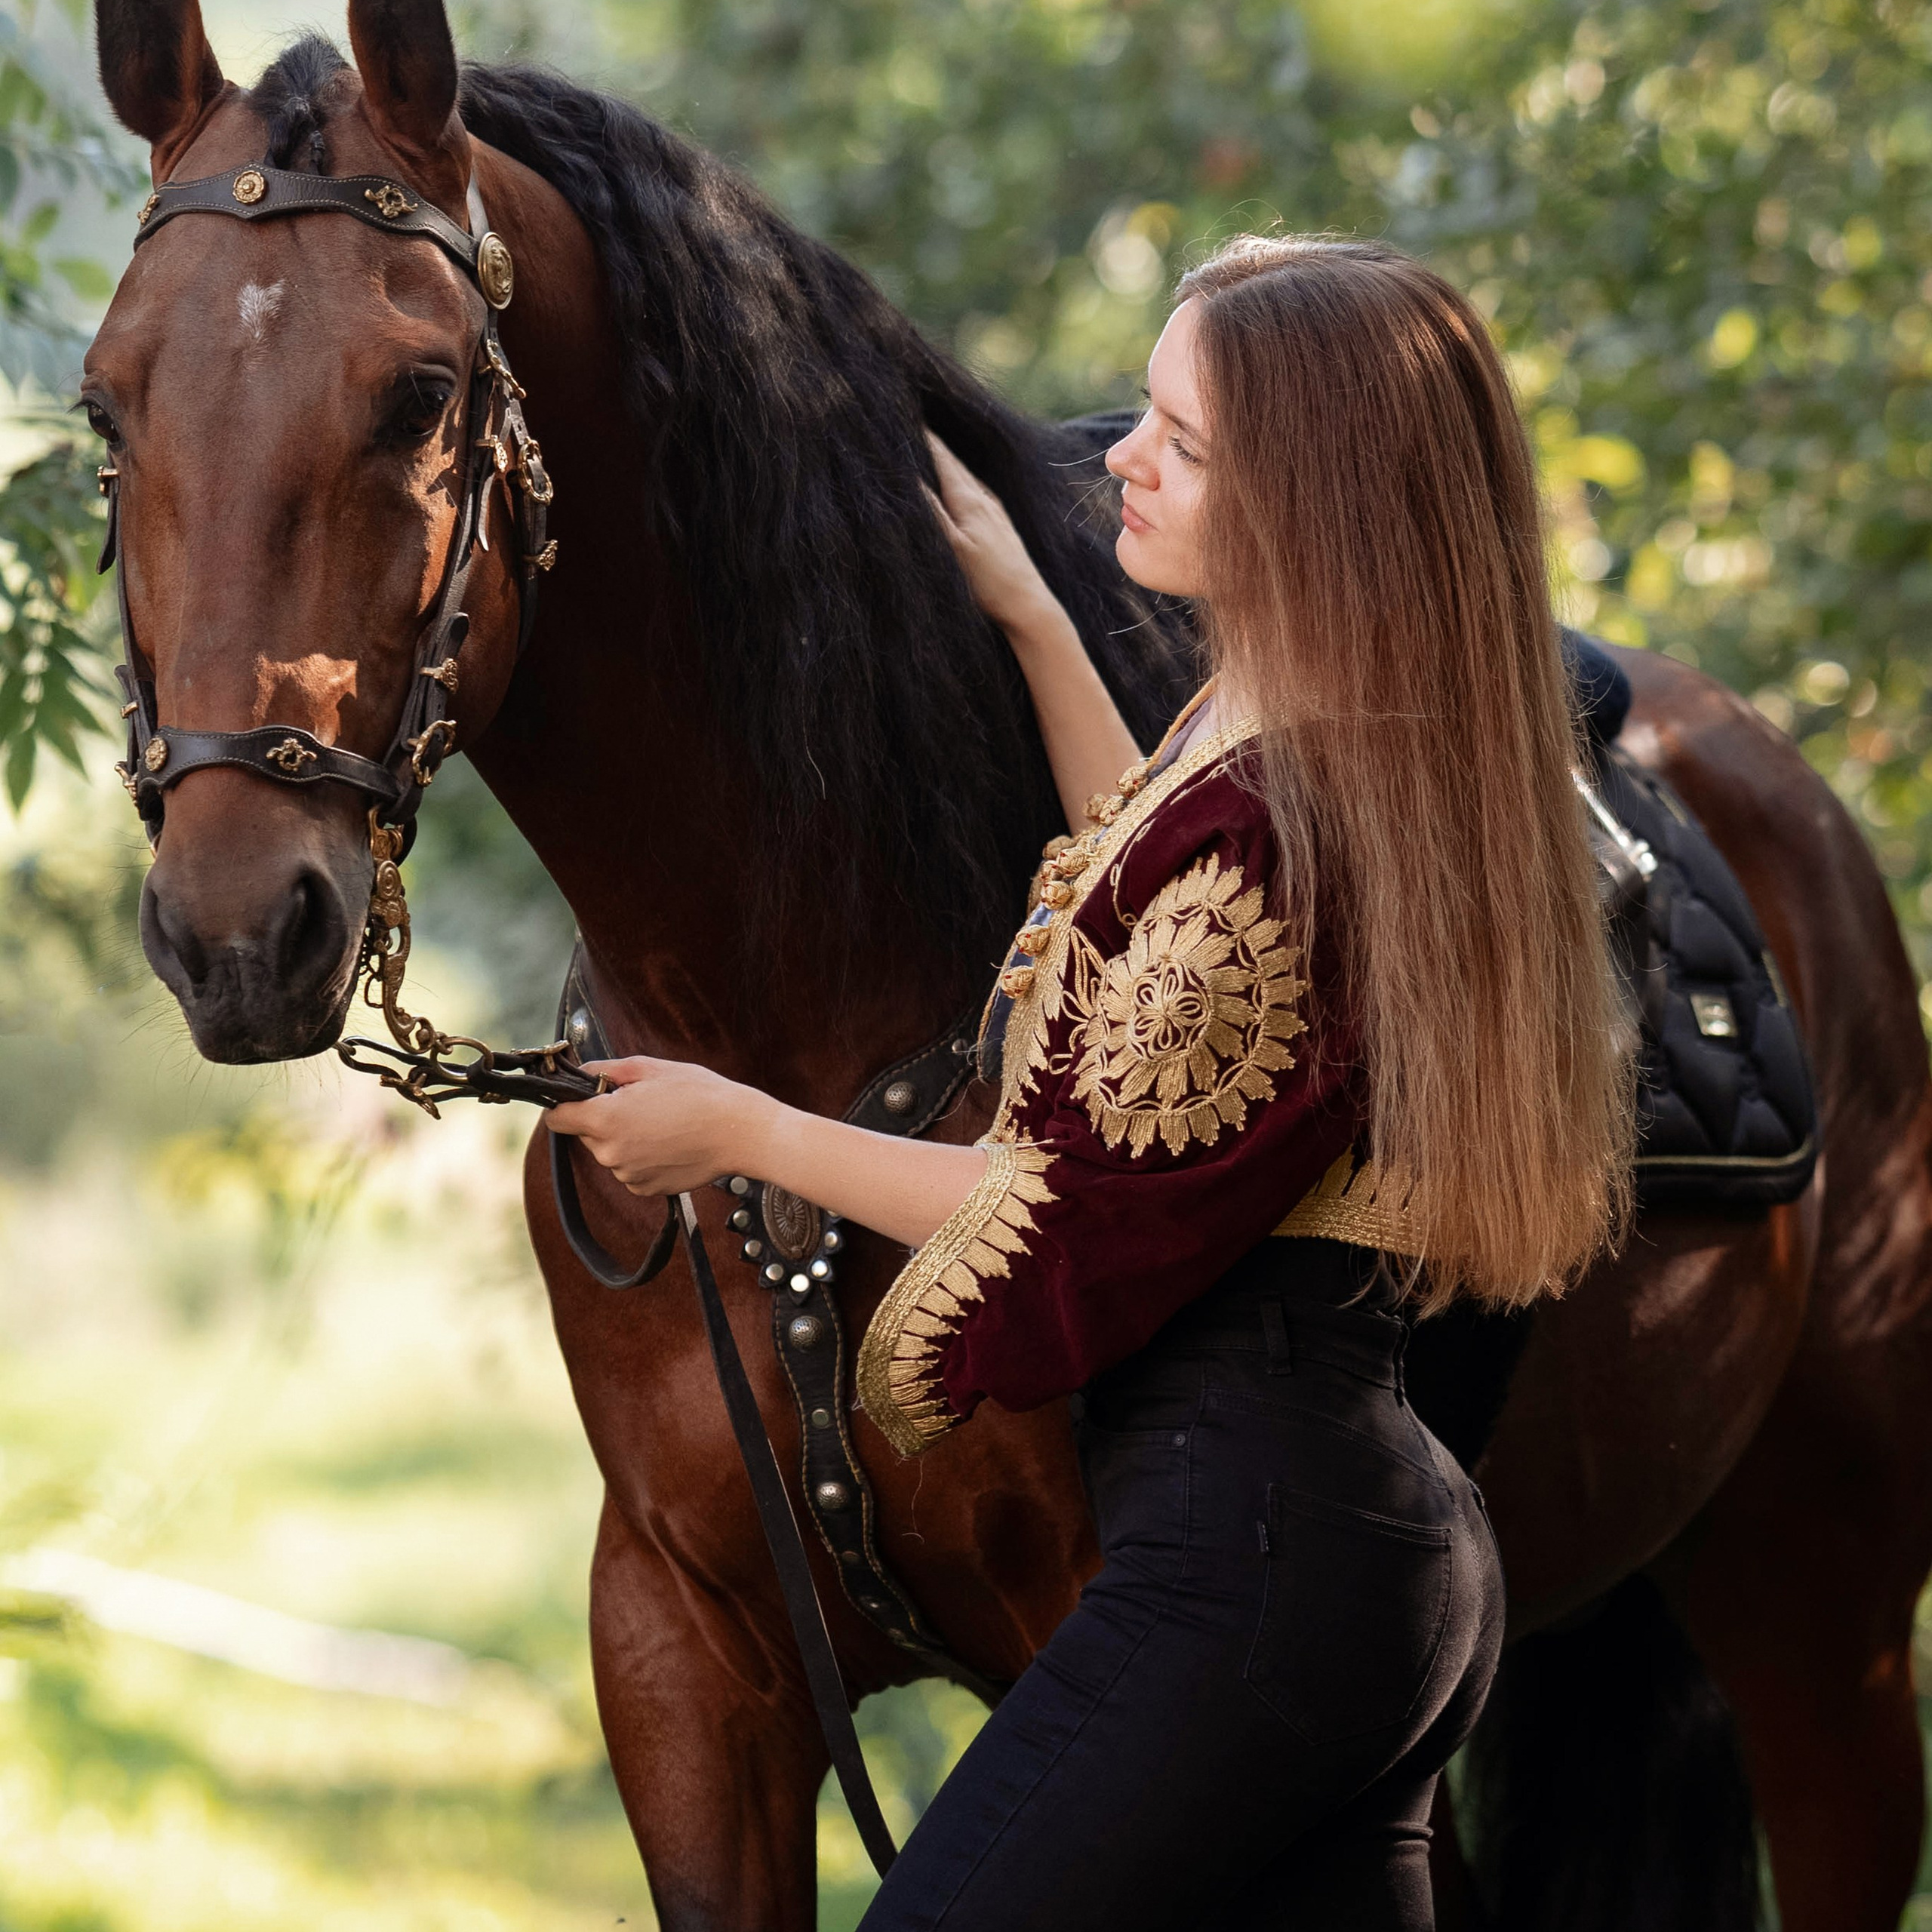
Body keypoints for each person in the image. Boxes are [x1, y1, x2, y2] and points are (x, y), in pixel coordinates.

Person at [546, 234, 1634, 1929]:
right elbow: (1149, 895)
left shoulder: (1276, 821)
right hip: (1348, 1550)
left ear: (1310, 504)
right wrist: (1038, 623)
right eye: (1145, 410)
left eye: (1182, 444)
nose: (1120, 456)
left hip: (1245, 1566)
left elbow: (1054, 1209)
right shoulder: (1285, 742)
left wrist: (741, 1128)